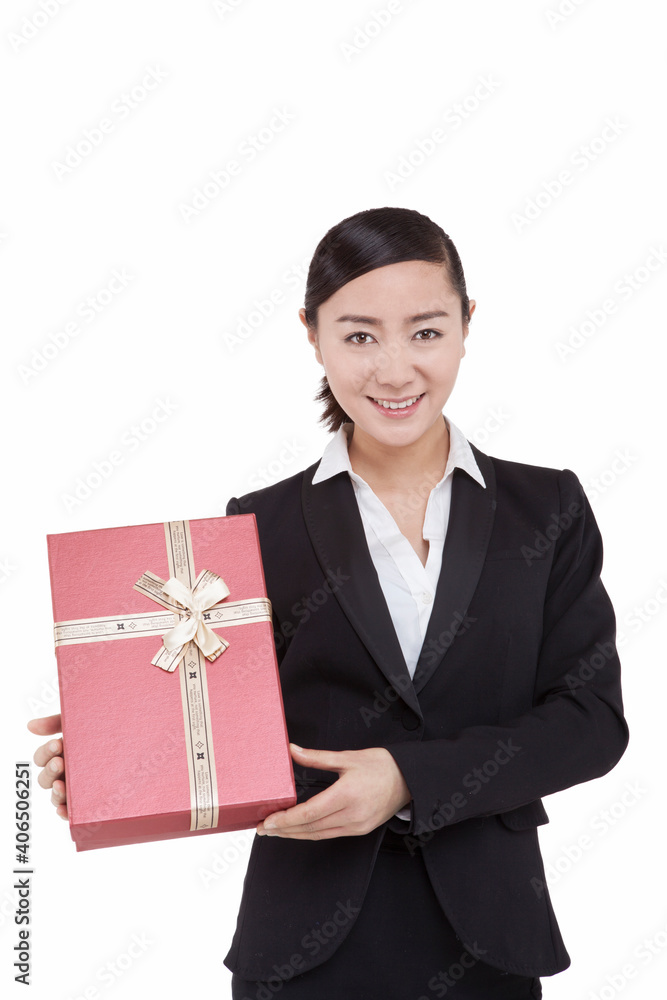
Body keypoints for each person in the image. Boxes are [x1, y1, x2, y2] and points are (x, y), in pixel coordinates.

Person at [29, 206, 629, 999]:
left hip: (489, 940)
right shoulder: (254, 526)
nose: (392, 369)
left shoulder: (545, 507)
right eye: (357, 335)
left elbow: (589, 724)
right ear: (311, 335)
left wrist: (407, 779)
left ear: (465, 323)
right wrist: (123, 760)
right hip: (305, 949)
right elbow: (229, 730)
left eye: (424, 331)